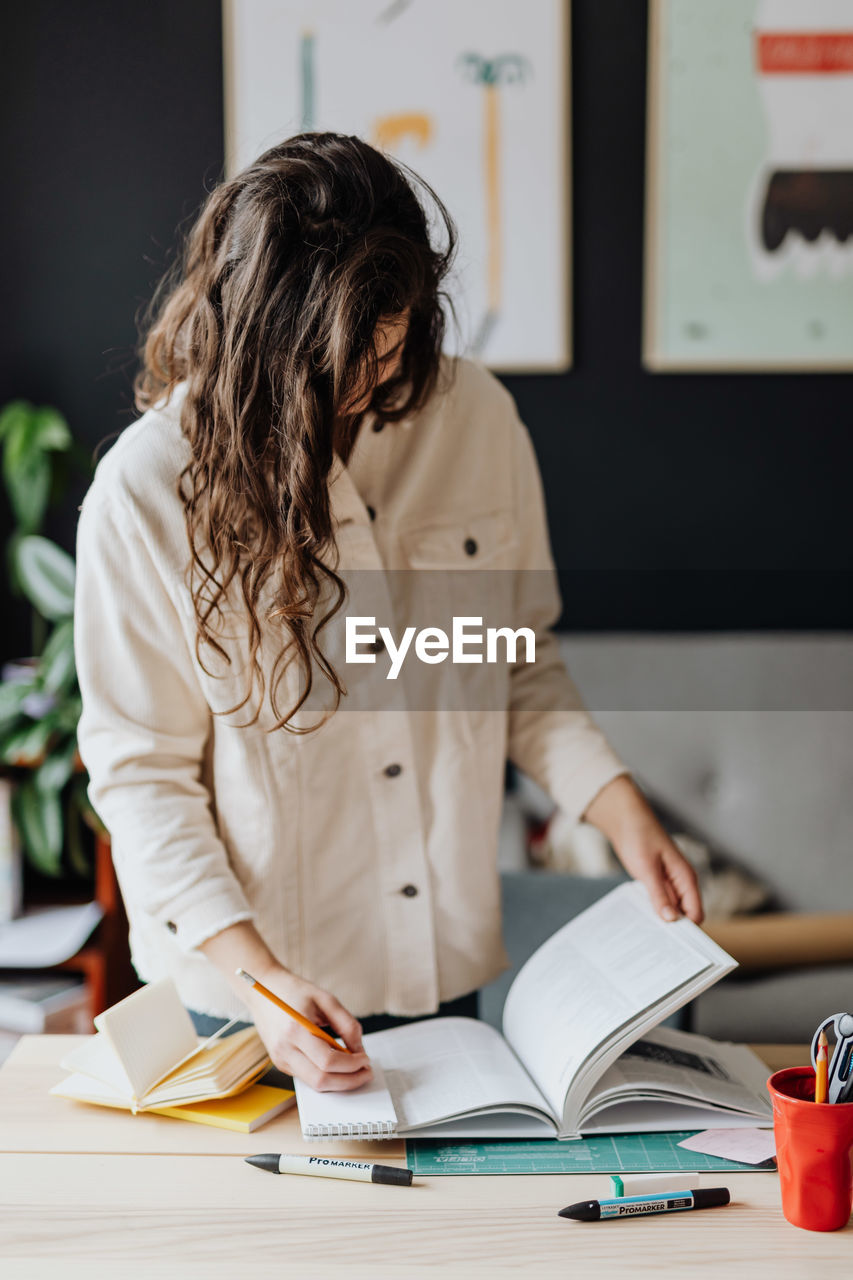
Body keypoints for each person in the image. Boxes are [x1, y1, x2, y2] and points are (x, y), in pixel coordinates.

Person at [74, 132, 702, 1096]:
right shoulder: (148, 492)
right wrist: (264, 978)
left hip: (436, 976)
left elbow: (512, 655)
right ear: (258, 343)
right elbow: (143, 776)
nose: (370, 387)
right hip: (245, 998)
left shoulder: (476, 419)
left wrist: (616, 807)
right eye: (339, 365)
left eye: (391, 345)